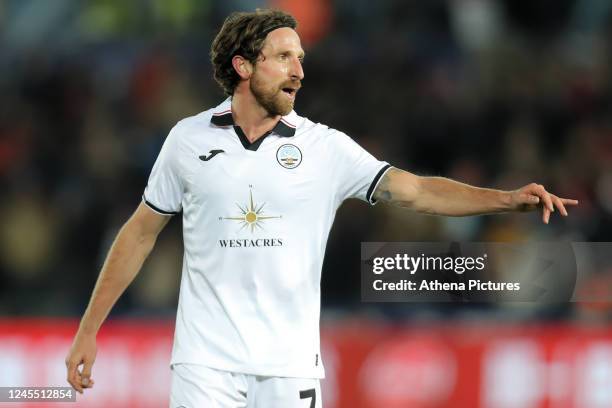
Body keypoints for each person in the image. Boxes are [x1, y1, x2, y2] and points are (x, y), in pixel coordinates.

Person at [65, 9, 578, 408]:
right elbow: (139, 233)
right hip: (205, 363)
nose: (300, 71)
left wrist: (505, 200)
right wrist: (89, 329)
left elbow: (416, 191)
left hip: (290, 367)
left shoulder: (325, 148)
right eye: (284, 57)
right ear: (243, 67)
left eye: (301, 57)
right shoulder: (187, 141)